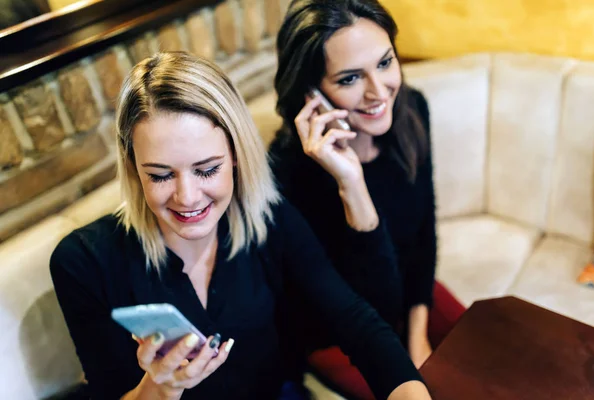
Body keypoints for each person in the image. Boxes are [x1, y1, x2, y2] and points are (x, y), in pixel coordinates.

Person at [49, 52, 433, 400]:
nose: (187, 197)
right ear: (134, 169)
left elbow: (358, 323)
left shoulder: (271, 219)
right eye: (161, 175)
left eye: (207, 170)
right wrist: (161, 388)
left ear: (235, 155)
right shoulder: (84, 262)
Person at [269, 0, 466, 398]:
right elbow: (365, 309)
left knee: (493, 352)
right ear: (311, 92)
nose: (379, 92)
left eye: (384, 62)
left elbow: (424, 233)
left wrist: (417, 335)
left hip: (408, 296)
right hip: (338, 333)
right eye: (349, 79)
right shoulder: (286, 173)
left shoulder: (412, 110)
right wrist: (351, 184)